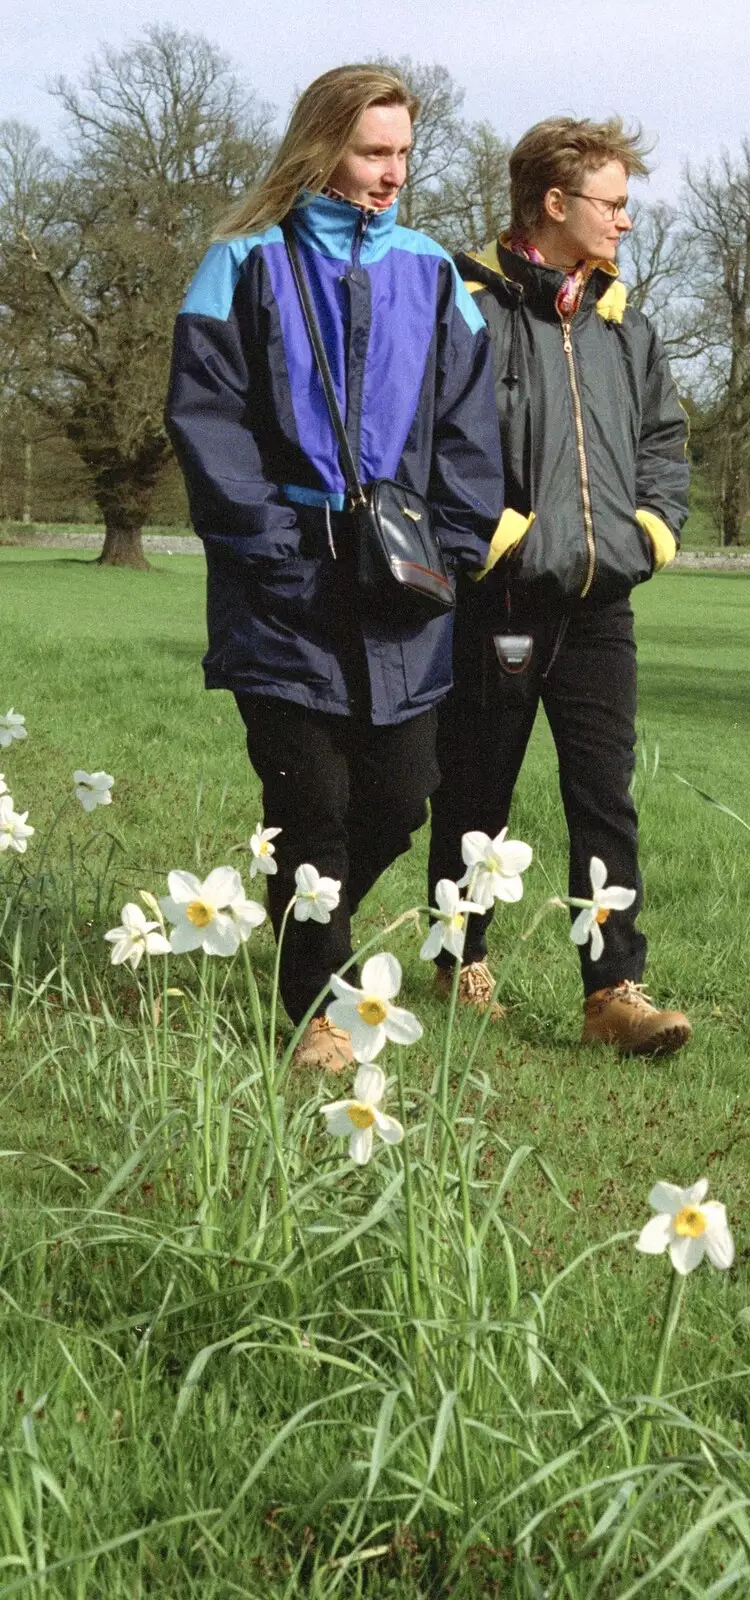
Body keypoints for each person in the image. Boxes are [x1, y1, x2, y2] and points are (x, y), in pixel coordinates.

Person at [166, 65, 503, 1072]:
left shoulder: (437, 276)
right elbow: (208, 425)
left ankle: (306, 919)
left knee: (401, 795)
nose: (391, 172)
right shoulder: (242, 265)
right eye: (371, 151)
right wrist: (277, 554)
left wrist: (440, 551)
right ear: (321, 147)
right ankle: (319, 1003)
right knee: (308, 799)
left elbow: (469, 439)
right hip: (282, 596)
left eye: (402, 152)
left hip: (403, 597)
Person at [426, 117, 692, 1057]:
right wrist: (494, 539)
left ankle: (612, 990)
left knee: (603, 797)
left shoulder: (626, 325)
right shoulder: (462, 305)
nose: (624, 221)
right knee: (475, 794)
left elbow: (663, 441)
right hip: (501, 596)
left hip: (602, 602)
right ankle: (457, 960)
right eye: (611, 204)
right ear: (554, 203)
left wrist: (650, 532)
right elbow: (423, 443)